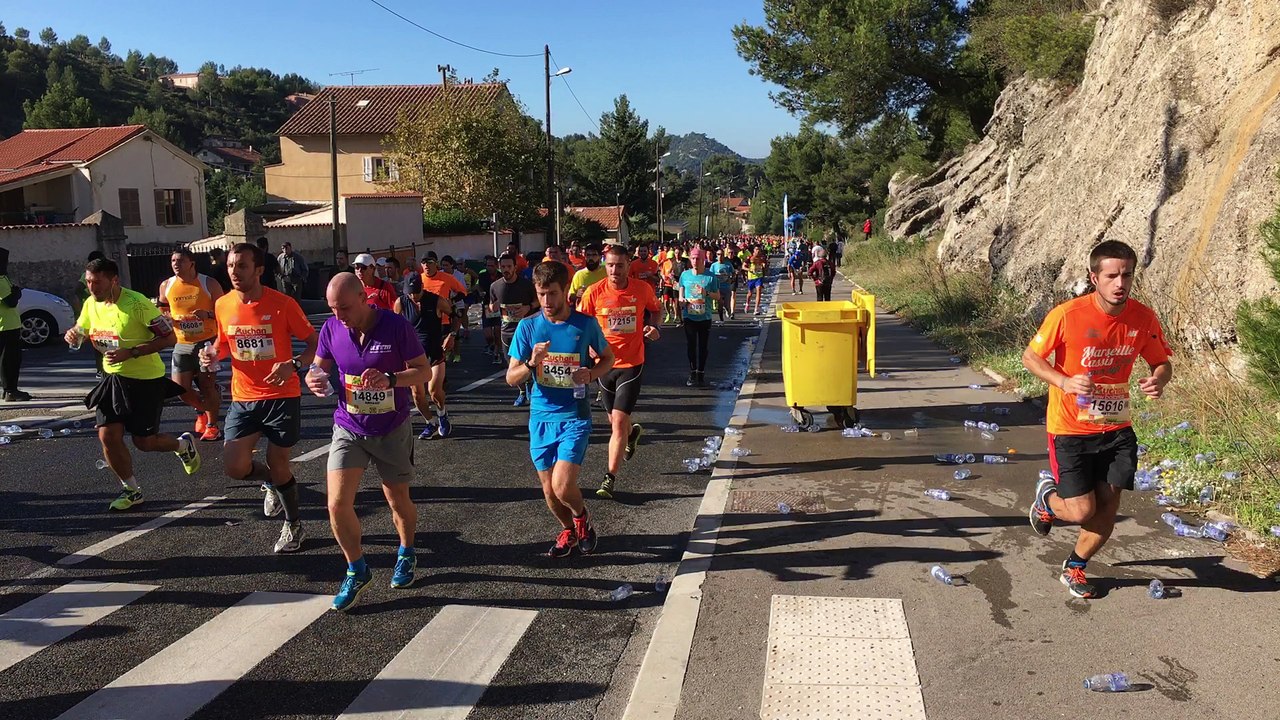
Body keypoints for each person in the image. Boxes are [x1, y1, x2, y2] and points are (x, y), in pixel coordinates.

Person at [1024, 241, 1173, 599]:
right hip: (1070, 428)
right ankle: (1047, 500)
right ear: (1095, 278)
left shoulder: (1143, 318)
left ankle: (1075, 566)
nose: (1120, 283)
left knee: (1107, 510)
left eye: (1126, 275)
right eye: (1111, 275)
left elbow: (1161, 361)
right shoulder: (1067, 315)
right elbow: (1030, 357)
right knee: (1080, 511)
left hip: (1116, 428)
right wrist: (1064, 381)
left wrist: (1159, 380)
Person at [308, 273, 431, 611]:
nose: (338, 316)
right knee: (336, 504)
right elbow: (318, 368)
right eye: (333, 309)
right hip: (349, 426)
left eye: (344, 307)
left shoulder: (395, 326)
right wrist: (313, 379)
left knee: (397, 501)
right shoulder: (332, 328)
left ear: (364, 298)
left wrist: (391, 378)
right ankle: (356, 569)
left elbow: (424, 372)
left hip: (391, 427)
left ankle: (406, 551)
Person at [204, 242, 319, 554]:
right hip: (244, 397)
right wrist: (213, 353)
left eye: (242, 266)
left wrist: (293, 364)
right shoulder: (223, 304)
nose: (235, 272)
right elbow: (224, 342)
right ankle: (275, 485)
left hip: (282, 395)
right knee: (234, 466)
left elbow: (314, 344)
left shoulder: (282, 303)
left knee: (277, 461)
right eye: (230, 266)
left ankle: (294, 524)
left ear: (259, 270)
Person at [67, 257, 201, 510]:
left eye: (97, 282)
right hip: (113, 378)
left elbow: (170, 337)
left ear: (114, 280)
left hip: (145, 380)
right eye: (88, 282)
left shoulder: (137, 304)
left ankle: (182, 445)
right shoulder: (90, 303)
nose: (91, 288)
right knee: (107, 435)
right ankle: (131, 490)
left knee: (145, 442)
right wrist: (75, 333)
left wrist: (133, 352)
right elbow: (83, 329)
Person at [505, 261, 614, 557]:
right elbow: (511, 377)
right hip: (541, 418)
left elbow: (608, 358)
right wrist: (531, 363)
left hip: (574, 416)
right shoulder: (528, 328)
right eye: (541, 294)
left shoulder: (585, 324)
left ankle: (581, 517)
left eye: (552, 294)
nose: (547, 302)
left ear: (565, 290)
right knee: (549, 493)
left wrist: (591, 374)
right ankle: (570, 529)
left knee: (563, 485)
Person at [577, 244, 661, 499]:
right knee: (615, 422)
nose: (615, 270)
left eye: (620, 265)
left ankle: (609, 477)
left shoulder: (642, 289)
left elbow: (656, 310)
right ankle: (632, 434)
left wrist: (654, 328)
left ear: (628, 266)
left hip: (632, 363)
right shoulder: (594, 292)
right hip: (604, 365)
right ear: (606, 265)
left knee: (619, 421)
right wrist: (588, 349)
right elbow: (581, 324)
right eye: (610, 265)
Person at [158, 248, 225, 441]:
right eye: (172, 261)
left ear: (191, 263)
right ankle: (203, 409)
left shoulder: (208, 283)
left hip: (207, 341)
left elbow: (224, 311)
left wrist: (208, 315)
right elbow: (162, 309)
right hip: (182, 342)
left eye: (180, 261)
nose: (176, 265)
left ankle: (212, 426)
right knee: (180, 389)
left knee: (206, 386)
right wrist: (167, 318)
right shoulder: (167, 285)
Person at [394, 273, 457, 440]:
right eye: (410, 292)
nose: (413, 296)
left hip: (434, 352)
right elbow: (395, 326)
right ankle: (430, 422)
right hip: (412, 356)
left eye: (416, 291)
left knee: (434, 391)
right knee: (417, 394)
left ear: (422, 287)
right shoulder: (401, 303)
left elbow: (455, 314)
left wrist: (452, 334)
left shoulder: (436, 301)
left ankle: (442, 414)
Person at [490, 253, 538, 407]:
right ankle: (522, 391)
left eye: (509, 267)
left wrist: (527, 307)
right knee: (512, 364)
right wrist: (492, 307)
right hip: (507, 330)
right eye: (503, 267)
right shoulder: (495, 286)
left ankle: (532, 387)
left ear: (515, 267)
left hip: (526, 330)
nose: (506, 270)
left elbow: (538, 301)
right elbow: (491, 306)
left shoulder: (526, 285)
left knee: (530, 361)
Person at [678, 248, 724, 387]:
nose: (695, 261)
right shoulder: (685, 275)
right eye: (692, 258)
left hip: (705, 317)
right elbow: (681, 292)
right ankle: (692, 373)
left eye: (697, 259)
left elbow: (718, 296)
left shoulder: (710, 277)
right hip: (689, 316)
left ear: (703, 260)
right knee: (691, 345)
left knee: (703, 347)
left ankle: (701, 373)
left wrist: (706, 293)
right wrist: (682, 300)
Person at [0, 247, 30, 402]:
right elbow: (10, 301)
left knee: (12, 359)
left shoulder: (3, 277)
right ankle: (10, 390)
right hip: (5, 326)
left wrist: (15, 292)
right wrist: (17, 293)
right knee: (8, 361)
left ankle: (9, 389)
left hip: (10, 324)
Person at [477, 256, 502, 364]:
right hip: (487, 306)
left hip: (499, 306)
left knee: (497, 331)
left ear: (496, 266)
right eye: (487, 265)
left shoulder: (501, 276)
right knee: (488, 334)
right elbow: (478, 286)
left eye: (491, 266)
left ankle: (497, 352)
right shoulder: (483, 275)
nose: (489, 268)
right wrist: (480, 292)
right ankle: (491, 345)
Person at [709, 249, 736, 322]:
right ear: (716, 256)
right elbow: (710, 275)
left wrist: (731, 279)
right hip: (718, 287)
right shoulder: (714, 265)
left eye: (721, 254)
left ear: (724, 256)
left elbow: (733, 273)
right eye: (718, 254)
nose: (720, 256)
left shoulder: (728, 264)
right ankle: (721, 319)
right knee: (720, 303)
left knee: (726, 304)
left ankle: (727, 310)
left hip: (726, 287)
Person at [744, 248, 768, 316]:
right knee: (750, 294)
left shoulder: (762, 258)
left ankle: (756, 309)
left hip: (759, 277)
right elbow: (743, 266)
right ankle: (747, 304)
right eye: (756, 249)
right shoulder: (750, 258)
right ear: (754, 251)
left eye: (759, 250)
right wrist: (749, 269)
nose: (758, 251)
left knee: (759, 291)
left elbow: (765, 266)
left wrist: (764, 266)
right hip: (751, 278)